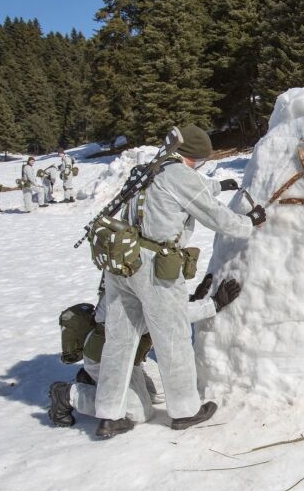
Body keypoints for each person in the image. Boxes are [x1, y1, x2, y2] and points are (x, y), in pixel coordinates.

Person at [93, 124, 264, 438]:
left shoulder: (147, 169)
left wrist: (216, 185)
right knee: (172, 336)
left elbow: (172, 192)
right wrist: (249, 222)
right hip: (155, 267)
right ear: (195, 157)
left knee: (119, 341)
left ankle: (109, 414)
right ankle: (186, 410)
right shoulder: (182, 177)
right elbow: (220, 220)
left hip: (122, 262)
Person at [48, 275, 242, 435]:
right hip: (107, 357)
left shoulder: (136, 273)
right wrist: (214, 304)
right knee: (139, 413)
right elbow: (165, 315)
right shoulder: (131, 283)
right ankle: (67, 394)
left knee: (162, 393)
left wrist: (191, 299)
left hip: (134, 357)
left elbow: (160, 306)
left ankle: (95, 381)